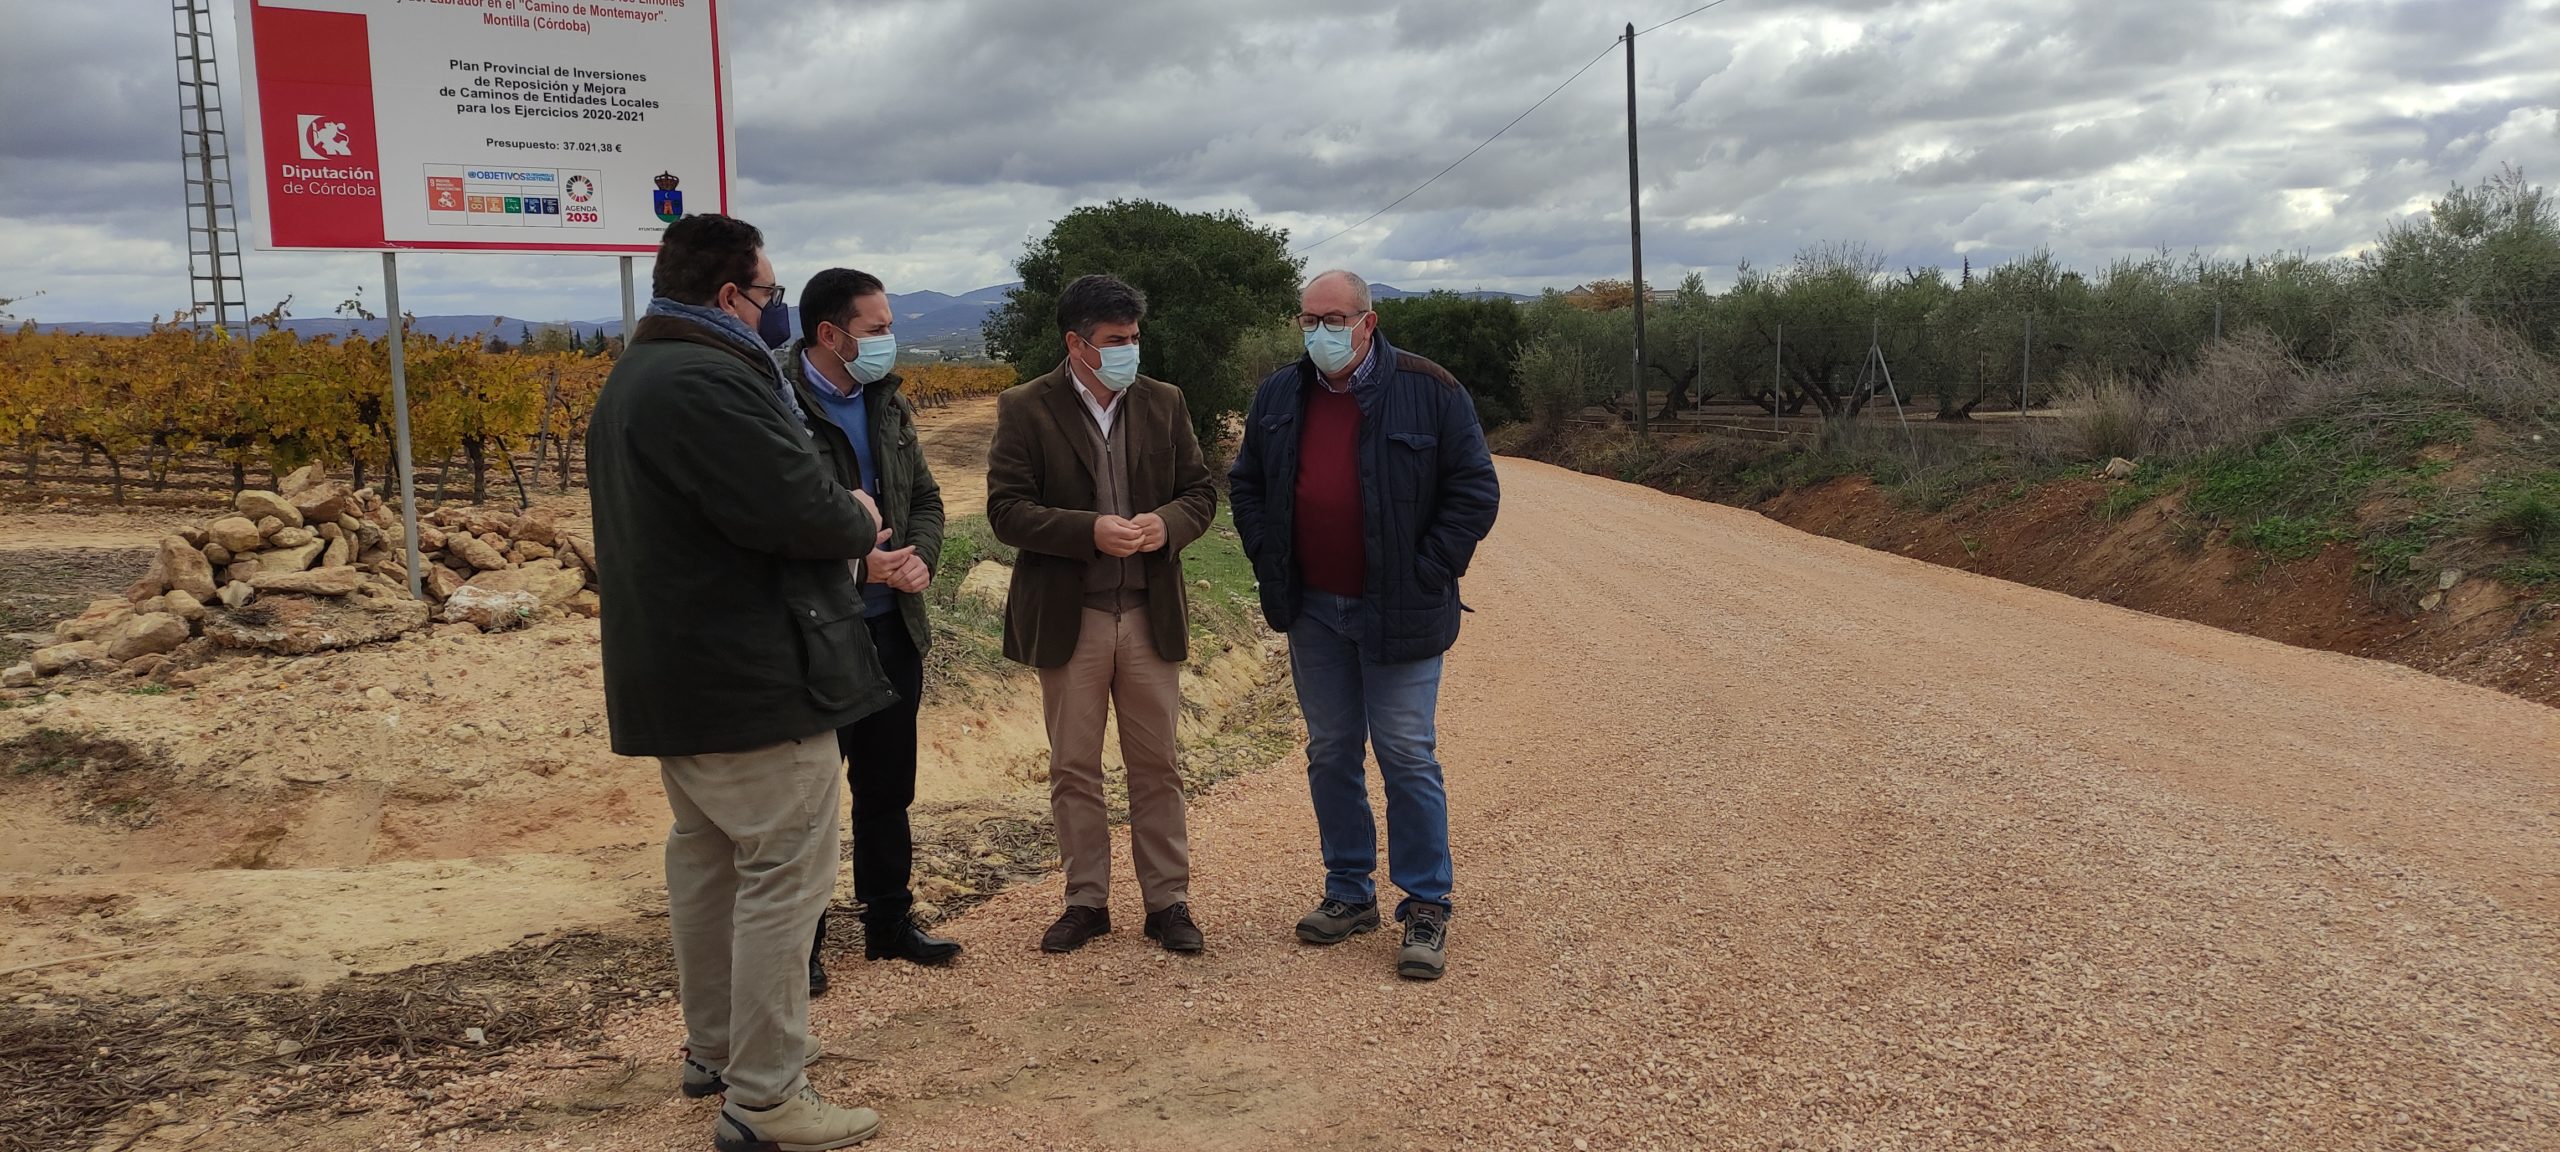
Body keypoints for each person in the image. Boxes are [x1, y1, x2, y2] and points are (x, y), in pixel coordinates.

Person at [586, 213, 889, 1149]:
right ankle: (765, 1099)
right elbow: (800, 510)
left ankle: (716, 1049)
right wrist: (856, 512)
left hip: (680, 680)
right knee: (782, 880)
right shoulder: (712, 380)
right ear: (730, 296)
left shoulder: (638, 374)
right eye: (770, 296)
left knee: (710, 868)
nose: (776, 313)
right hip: (754, 679)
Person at [1225, 268, 1500, 981]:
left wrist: (1427, 570)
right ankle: (1349, 892)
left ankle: (1427, 903)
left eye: (1335, 318)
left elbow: (1475, 490)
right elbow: (1247, 482)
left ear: (1368, 323)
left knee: (1407, 753)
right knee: (1331, 751)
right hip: (1312, 607)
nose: (1321, 332)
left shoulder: (1431, 388)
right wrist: (1267, 554)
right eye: (1309, 319)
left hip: (1400, 609)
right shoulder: (1280, 395)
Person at [985, 273, 1219, 956]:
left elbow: (1200, 493)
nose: (1130, 351)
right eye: (1117, 340)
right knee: (1074, 768)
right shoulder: (1025, 407)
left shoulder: (1164, 402)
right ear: (1076, 344)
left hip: (1149, 615)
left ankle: (1168, 903)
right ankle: (1086, 901)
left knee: (1158, 765)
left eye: (1135, 338)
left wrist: (1164, 524)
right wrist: (1087, 530)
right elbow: (1006, 511)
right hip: (1072, 617)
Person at [784, 268, 959, 993]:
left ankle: (888, 922)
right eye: (879, 328)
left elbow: (923, 495)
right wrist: (863, 566)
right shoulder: (777, 408)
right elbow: (783, 522)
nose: (892, 341)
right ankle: (803, 945)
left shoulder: (887, 401)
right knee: (811, 801)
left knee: (888, 787)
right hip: (820, 635)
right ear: (831, 334)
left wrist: (916, 560)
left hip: (893, 629)